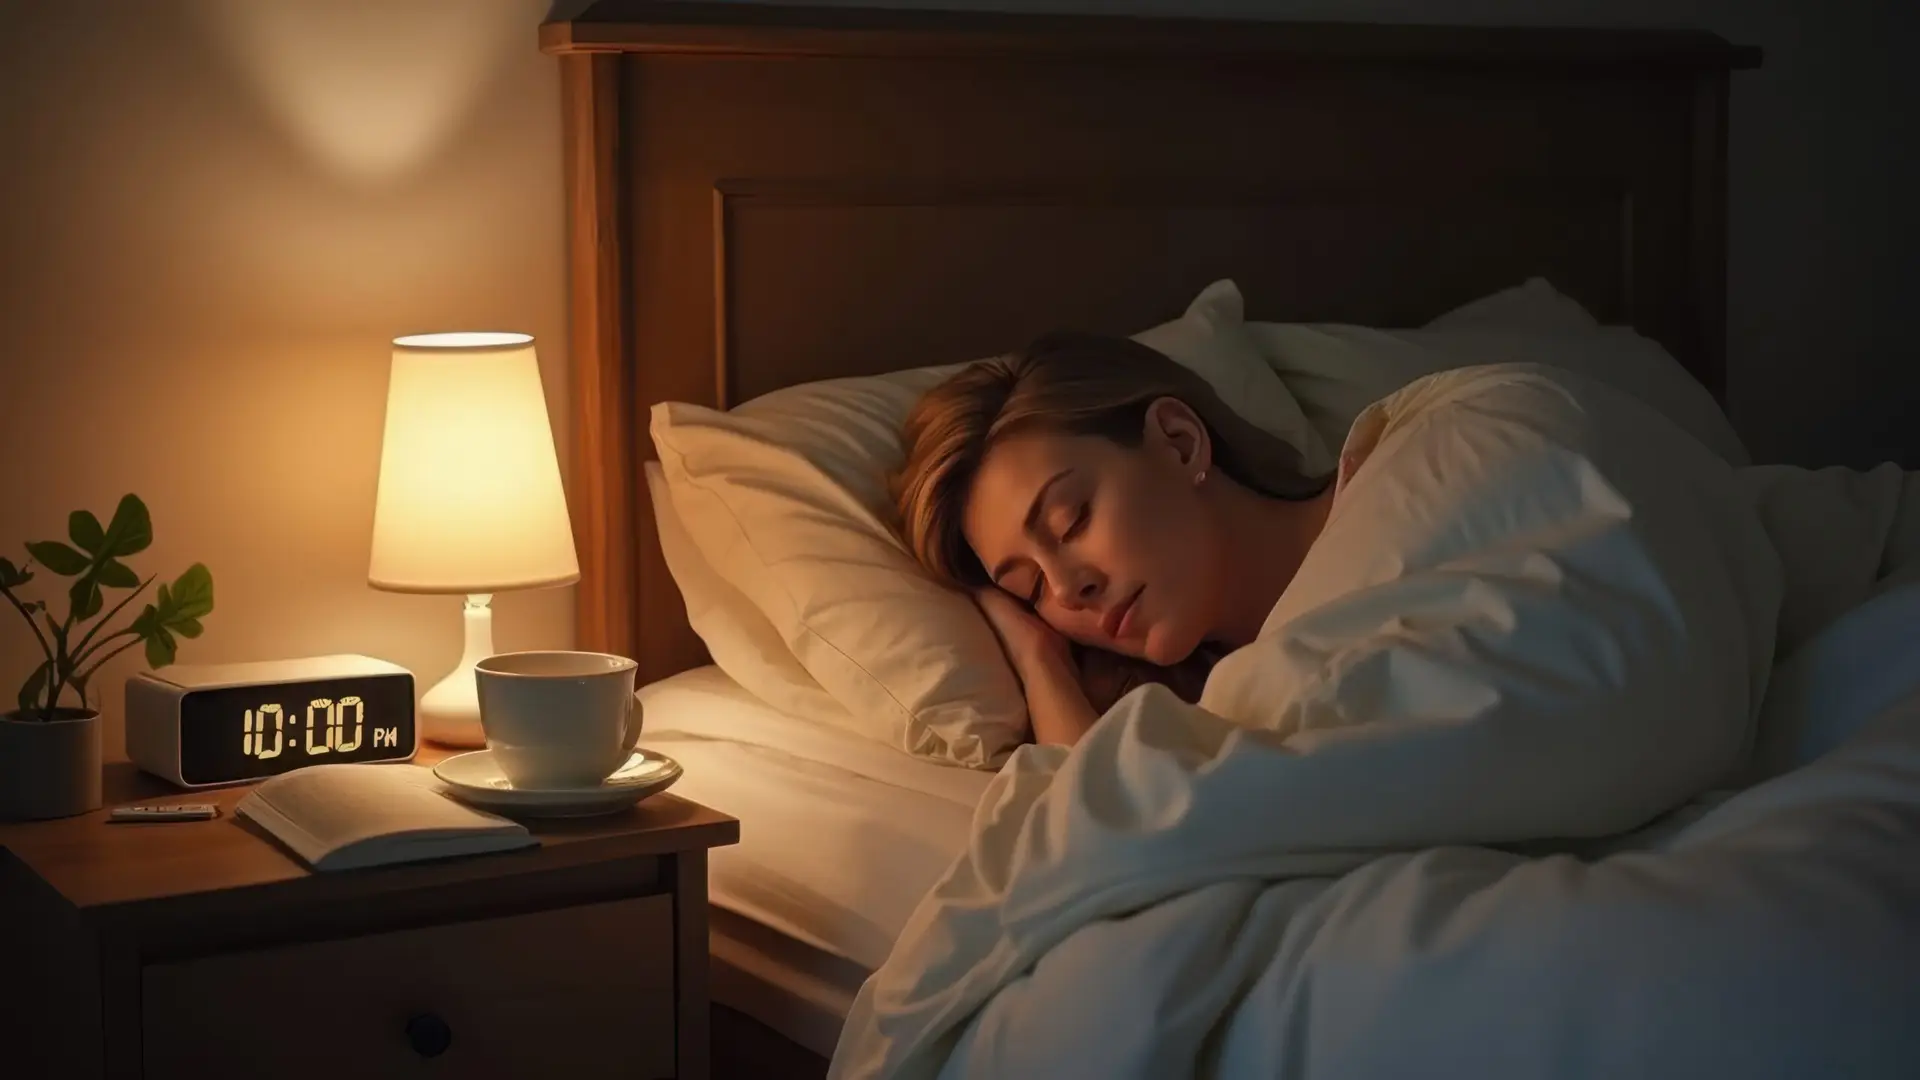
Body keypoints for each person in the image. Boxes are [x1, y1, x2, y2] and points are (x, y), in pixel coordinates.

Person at [890, 330, 1336, 748]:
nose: (1066, 591)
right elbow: (1090, 802)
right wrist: (1040, 661)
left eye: (1072, 521)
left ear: (1179, 441)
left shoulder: (1379, 499)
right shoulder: (1216, 725)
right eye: (1032, 588)